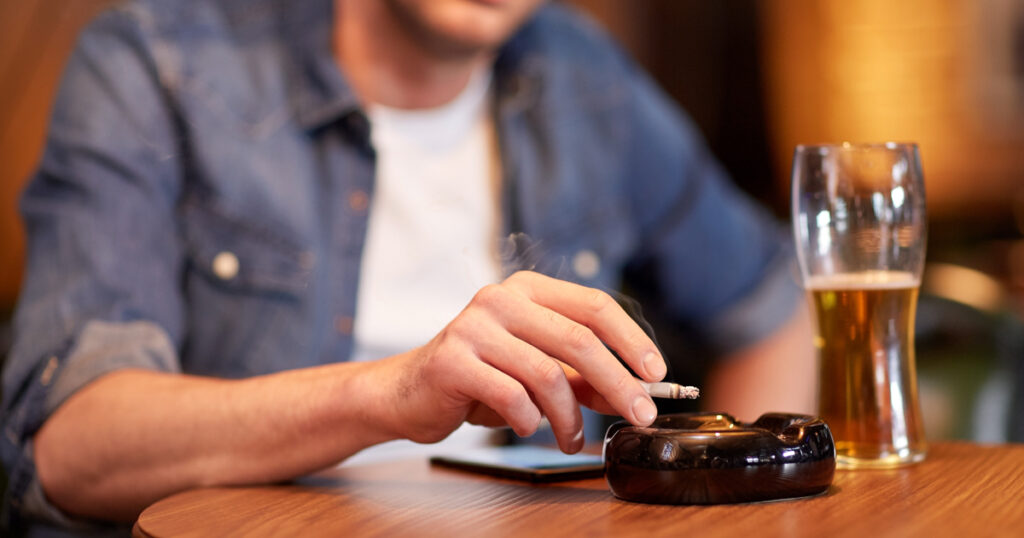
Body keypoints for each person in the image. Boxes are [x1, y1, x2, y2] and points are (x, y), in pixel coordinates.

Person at [1, 0, 815, 533]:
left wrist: (716, 513)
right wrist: (396, 392)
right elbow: (69, 445)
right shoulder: (155, 63)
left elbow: (774, 311)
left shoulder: (582, 79)